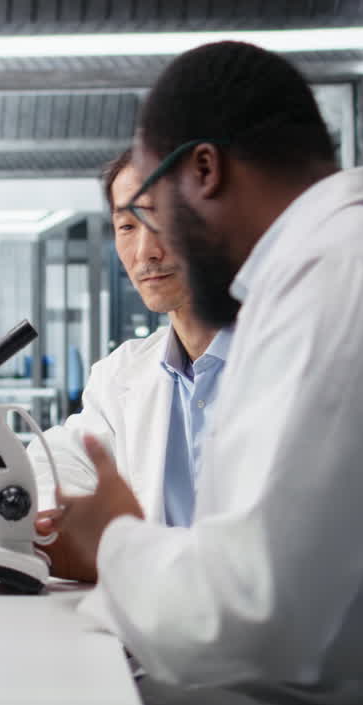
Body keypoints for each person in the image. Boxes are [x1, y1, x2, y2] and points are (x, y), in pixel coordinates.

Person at [49, 41, 363, 705]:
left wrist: (115, 542)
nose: (151, 242)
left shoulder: (351, 287)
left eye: (156, 204)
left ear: (204, 169)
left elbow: (250, 617)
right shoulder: (332, 277)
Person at [27, 149, 235, 583]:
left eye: (164, 223)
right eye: (126, 226)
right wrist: (59, 519)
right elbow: (56, 458)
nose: (145, 252)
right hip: (156, 629)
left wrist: (121, 551)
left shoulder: (290, 364)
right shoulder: (122, 373)